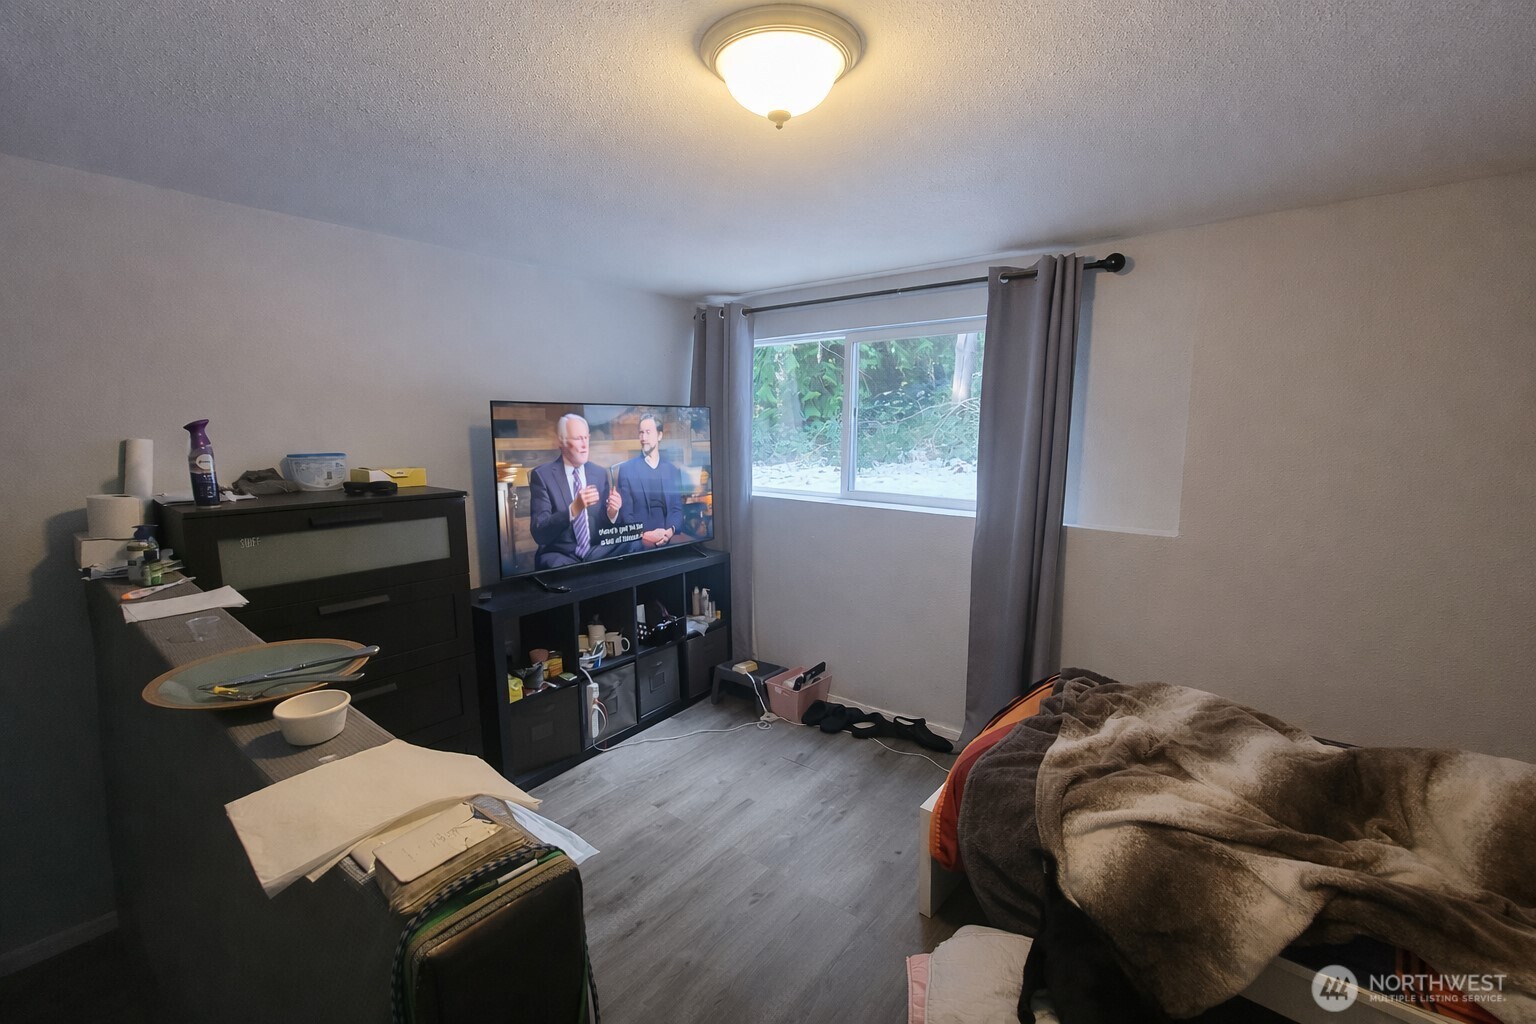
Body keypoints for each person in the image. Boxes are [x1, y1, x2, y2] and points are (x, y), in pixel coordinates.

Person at [528, 413, 622, 569]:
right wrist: (573, 509)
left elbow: (605, 528)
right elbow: (540, 532)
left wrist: (612, 513)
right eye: (578, 439)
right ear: (562, 442)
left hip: (596, 552)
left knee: (635, 546)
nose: (585, 445)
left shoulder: (599, 473)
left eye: (586, 438)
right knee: (555, 566)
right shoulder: (542, 476)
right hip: (560, 555)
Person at [613, 412, 686, 549]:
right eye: (641, 433)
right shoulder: (627, 469)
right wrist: (644, 536)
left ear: (659, 435)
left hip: (668, 536)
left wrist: (669, 533)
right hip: (640, 539)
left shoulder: (671, 470)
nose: (643, 437)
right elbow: (626, 515)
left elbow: (677, 508)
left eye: (648, 432)